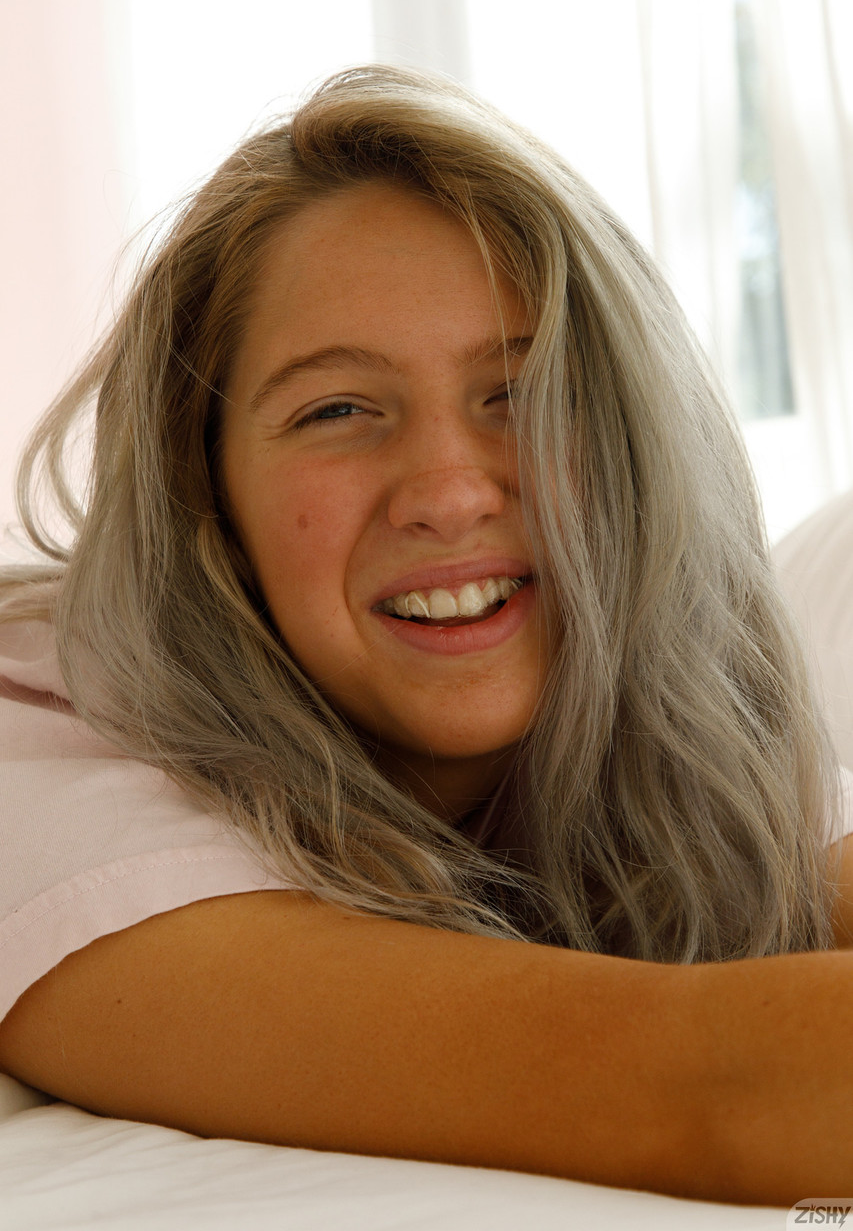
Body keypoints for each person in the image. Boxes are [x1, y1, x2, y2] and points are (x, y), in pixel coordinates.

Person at [0, 65, 851, 1206]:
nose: (448, 493)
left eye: (523, 392)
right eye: (337, 410)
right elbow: (706, 1089)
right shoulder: (32, 758)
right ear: (208, 495)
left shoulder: (673, 715)